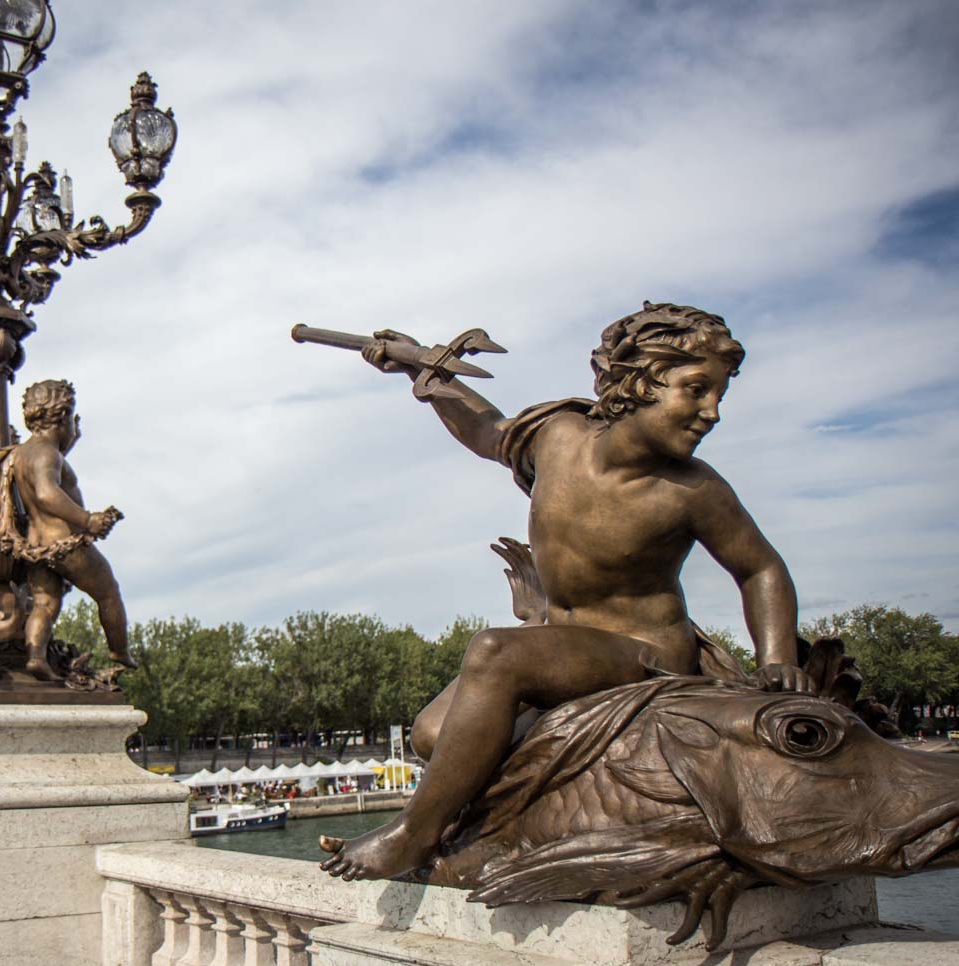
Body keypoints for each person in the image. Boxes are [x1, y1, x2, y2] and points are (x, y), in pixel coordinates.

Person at [321, 302, 813, 882]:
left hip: (642, 652)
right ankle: (504, 827)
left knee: (494, 653)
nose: (711, 413)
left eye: (718, 397)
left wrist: (777, 660)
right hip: (563, 641)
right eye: (697, 390)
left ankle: (412, 835)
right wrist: (423, 376)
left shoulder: (694, 490)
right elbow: (485, 429)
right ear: (638, 384)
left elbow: (761, 569)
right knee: (431, 735)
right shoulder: (557, 436)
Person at [2, 380, 138, 679]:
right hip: (64, 543)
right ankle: (119, 650)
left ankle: (36, 656)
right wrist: (88, 520)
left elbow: (42, 476)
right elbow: (47, 493)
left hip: (36, 546)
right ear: (62, 417)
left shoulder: (24, 453)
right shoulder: (48, 455)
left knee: (45, 603)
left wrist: (70, 442)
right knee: (108, 591)